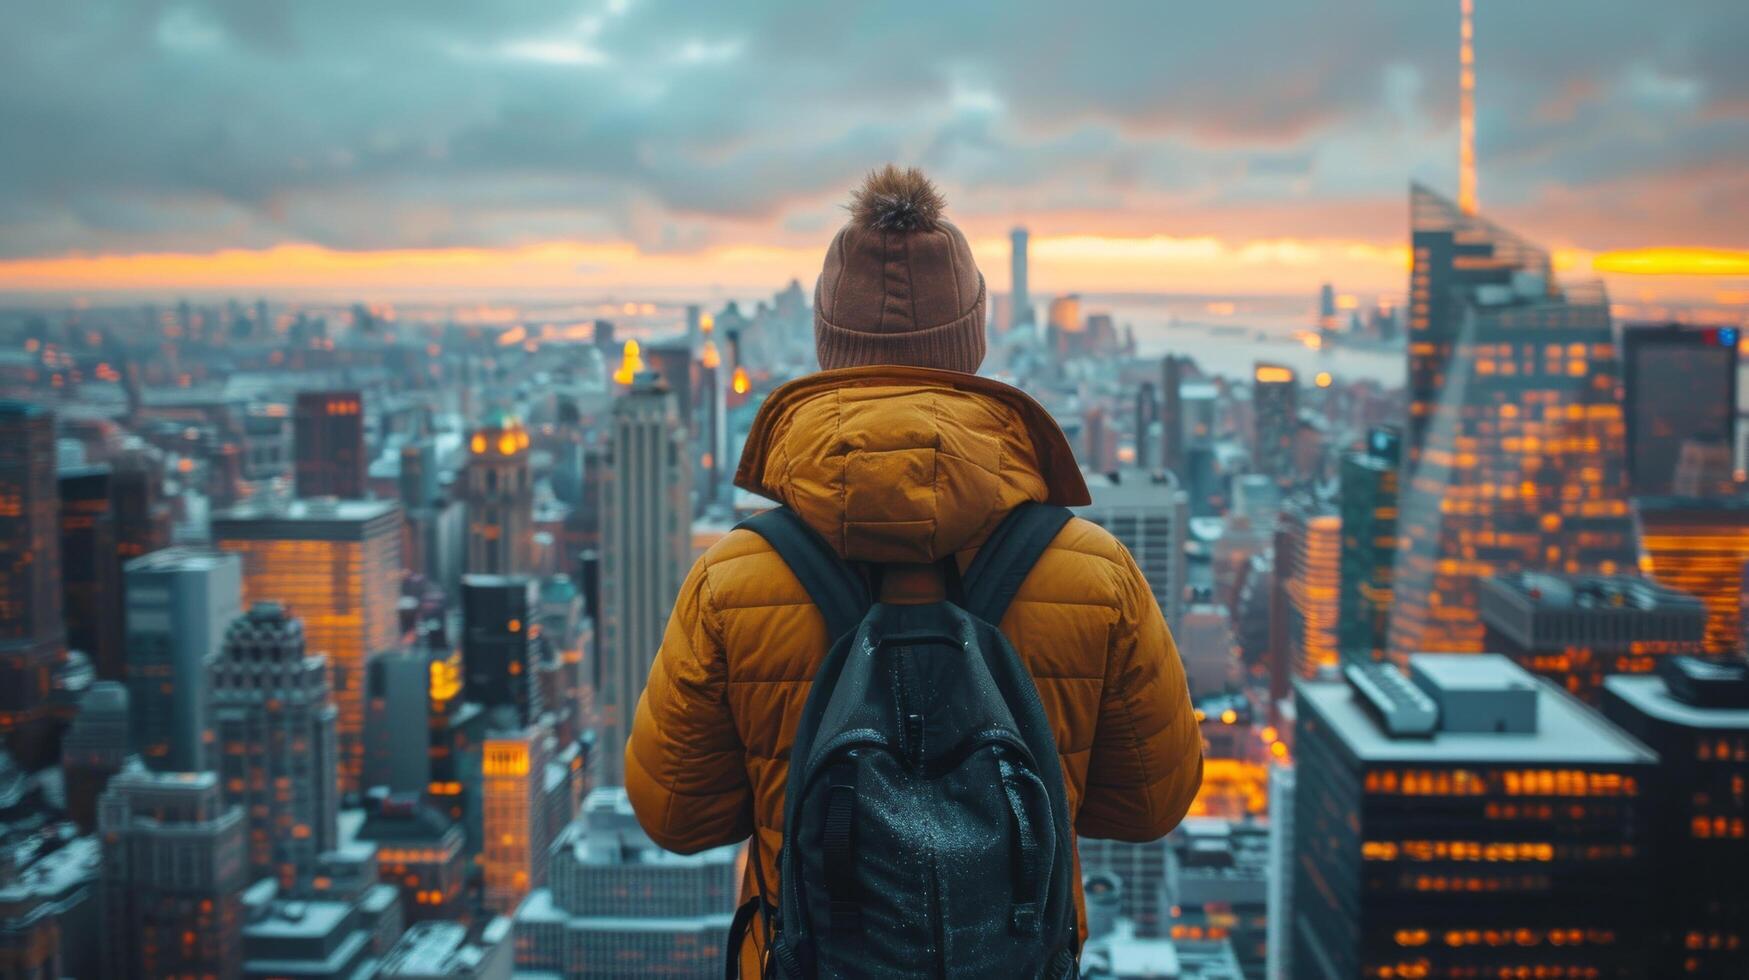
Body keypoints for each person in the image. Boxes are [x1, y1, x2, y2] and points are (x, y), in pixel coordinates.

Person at [626, 165, 1202, 974]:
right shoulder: (1092, 573)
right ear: (972, 344)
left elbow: (675, 816)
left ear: (828, 346)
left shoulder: (735, 580)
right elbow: (1150, 804)